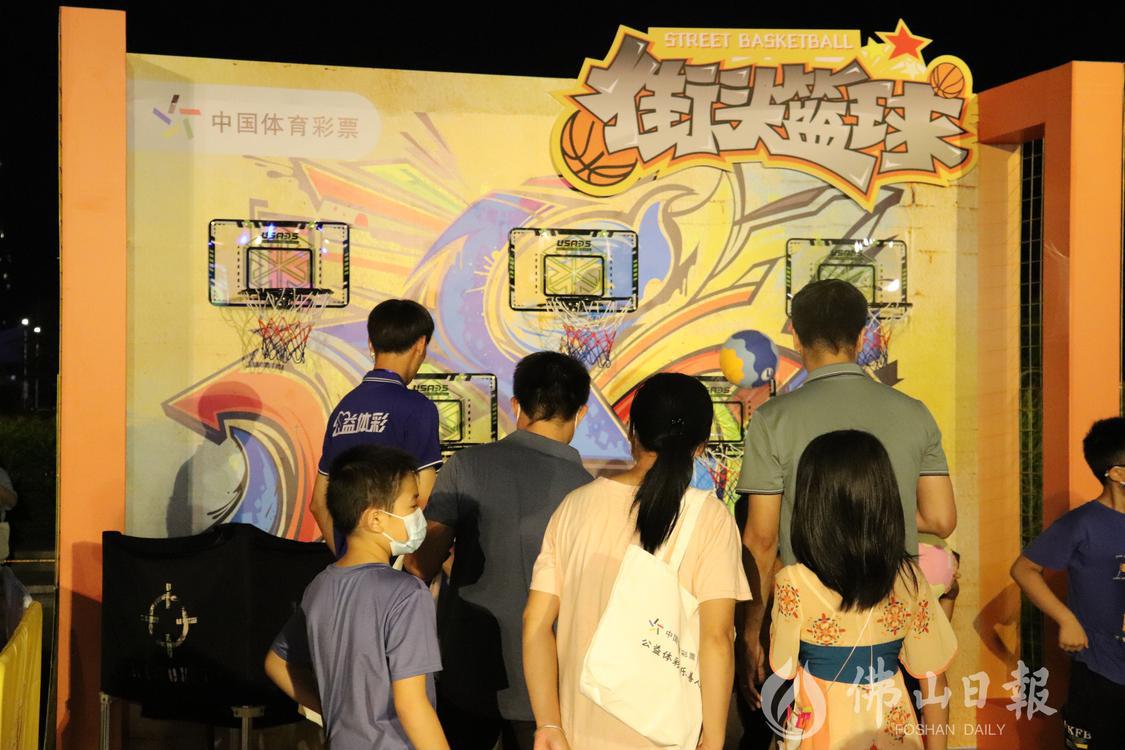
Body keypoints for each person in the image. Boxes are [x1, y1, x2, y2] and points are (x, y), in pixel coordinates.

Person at [737, 279, 956, 724]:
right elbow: (940, 518)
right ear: (861, 336)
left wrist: (750, 632)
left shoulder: (772, 420)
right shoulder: (914, 413)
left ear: (795, 337)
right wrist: (874, 509)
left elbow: (760, 539)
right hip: (894, 629)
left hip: (809, 637)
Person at [523, 373, 751, 750]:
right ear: (701, 446)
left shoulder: (574, 507)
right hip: (668, 735)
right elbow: (717, 636)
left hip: (578, 735)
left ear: (632, 432)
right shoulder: (710, 518)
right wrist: (713, 736)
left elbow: (535, 623)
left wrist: (548, 724)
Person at [407, 351, 592, 749]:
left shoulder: (466, 466)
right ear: (581, 412)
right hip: (550, 692)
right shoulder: (588, 491)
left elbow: (420, 564)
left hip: (467, 672)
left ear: (516, 405)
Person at [769, 430, 957, 749]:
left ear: (811, 504)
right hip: (893, 727)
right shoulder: (910, 579)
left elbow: (783, 666)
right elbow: (933, 680)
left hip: (822, 728)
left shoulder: (793, 582)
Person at [266, 445, 449, 750]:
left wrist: (337, 712)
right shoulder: (407, 594)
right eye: (412, 505)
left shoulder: (320, 587)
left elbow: (277, 663)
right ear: (375, 519)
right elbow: (412, 705)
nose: (419, 515)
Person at [1011, 417, 1125, 749]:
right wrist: (1066, 619)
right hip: (1100, 672)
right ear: (1117, 474)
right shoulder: (1081, 523)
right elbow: (1024, 570)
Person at [310, 299, 443, 556]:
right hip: (391, 564)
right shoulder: (417, 407)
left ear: (371, 344)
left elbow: (318, 503)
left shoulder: (344, 408)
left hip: (349, 564)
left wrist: (347, 555)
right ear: (421, 344)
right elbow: (424, 499)